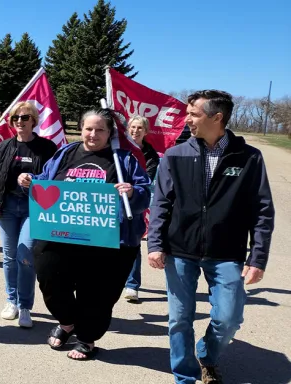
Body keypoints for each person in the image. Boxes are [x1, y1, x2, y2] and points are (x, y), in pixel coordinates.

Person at [147, 90, 275, 384]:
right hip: (180, 250)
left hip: (226, 252)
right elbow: (161, 203)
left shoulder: (249, 158)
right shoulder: (175, 155)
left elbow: (262, 210)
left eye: (194, 114)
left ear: (217, 118)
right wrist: (155, 243)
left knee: (228, 319)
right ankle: (185, 376)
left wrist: (257, 258)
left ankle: (206, 354)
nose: (187, 119)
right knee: (180, 319)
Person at [26, 109, 151, 360]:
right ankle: (68, 321)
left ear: (110, 133)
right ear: (81, 129)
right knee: (49, 276)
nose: (93, 134)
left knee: (97, 292)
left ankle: (87, 337)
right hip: (60, 234)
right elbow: (45, 179)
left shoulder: (123, 159)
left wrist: (131, 192)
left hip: (109, 240)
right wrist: (29, 179)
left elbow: (146, 192)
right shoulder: (66, 153)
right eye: (88, 128)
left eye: (100, 129)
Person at [0, 101, 57, 328]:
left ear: (34, 121)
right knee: (9, 257)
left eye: (25, 117)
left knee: (25, 254)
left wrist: (34, 181)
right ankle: (12, 301)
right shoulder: (4, 146)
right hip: (7, 206)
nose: (20, 121)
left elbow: (55, 178)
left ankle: (25, 305)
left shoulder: (47, 148)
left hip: (34, 207)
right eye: (16, 118)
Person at [123, 115, 160, 302]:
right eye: (132, 127)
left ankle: (132, 285)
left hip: (134, 203)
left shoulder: (150, 155)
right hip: (112, 202)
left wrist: (131, 189)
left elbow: (147, 179)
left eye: (140, 128)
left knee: (133, 244)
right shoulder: (118, 147)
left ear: (145, 132)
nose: (135, 131)